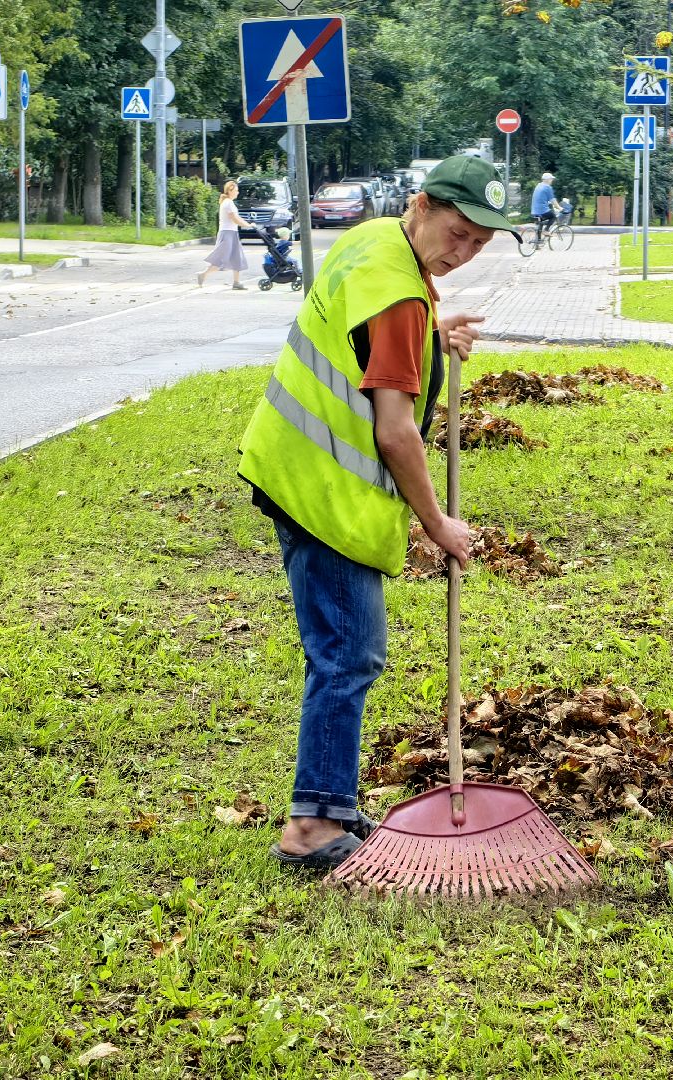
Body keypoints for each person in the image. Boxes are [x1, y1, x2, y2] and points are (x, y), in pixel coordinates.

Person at [237, 155, 518, 870]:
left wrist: (432, 328)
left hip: (292, 467)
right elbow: (395, 432)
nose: (462, 253)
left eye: (479, 245)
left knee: (339, 653)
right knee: (348, 656)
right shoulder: (400, 294)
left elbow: (372, 328)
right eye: (457, 234)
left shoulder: (373, 239)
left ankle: (327, 799)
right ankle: (311, 829)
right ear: (421, 204)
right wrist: (438, 524)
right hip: (322, 491)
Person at [197, 180, 253, 290]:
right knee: (221, 260)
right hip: (227, 234)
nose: (237, 192)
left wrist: (247, 224)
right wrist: (247, 225)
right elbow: (234, 218)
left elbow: (237, 218)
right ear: (230, 191)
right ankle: (203, 274)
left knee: (237, 257)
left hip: (232, 233)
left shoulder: (229, 202)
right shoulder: (228, 203)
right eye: (236, 190)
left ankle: (236, 282)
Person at [531, 171, 557, 242]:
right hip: (542, 210)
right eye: (551, 179)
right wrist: (559, 207)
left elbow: (540, 197)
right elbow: (553, 200)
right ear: (547, 179)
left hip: (534, 211)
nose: (552, 180)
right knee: (553, 216)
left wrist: (547, 202)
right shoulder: (547, 187)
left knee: (541, 223)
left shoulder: (538, 185)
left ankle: (538, 242)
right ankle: (546, 230)